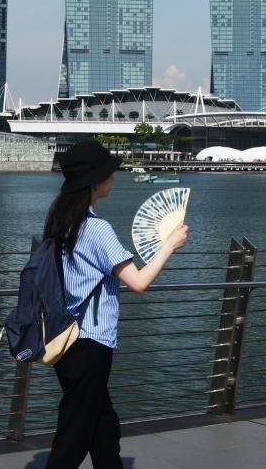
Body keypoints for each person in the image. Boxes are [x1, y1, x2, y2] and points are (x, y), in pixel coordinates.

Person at [44, 140, 188, 468]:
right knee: (74, 436)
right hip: (90, 343)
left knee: (103, 428)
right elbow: (138, 282)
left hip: (65, 340)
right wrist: (169, 244)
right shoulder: (97, 229)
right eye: (109, 173)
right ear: (94, 182)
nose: (113, 177)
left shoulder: (61, 224)